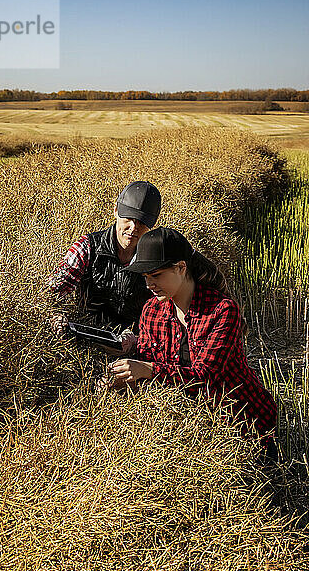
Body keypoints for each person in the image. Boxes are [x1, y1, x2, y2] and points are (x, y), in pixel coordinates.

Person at [109, 227, 277, 441]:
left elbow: (205, 376)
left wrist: (148, 370)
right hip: (194, 424)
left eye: (156, 275)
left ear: (180, 268)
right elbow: (148, 368)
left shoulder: (222, 311)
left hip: (244, 424)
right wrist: (124, 378)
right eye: (145, 277)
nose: (149, 284)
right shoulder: (151, 310)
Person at [48, 181, 161, 351]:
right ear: (116, 211)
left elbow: (168, 310)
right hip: (85, 343)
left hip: (136, 346)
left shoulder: (157, 258)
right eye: (129, 218)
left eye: (142, 222)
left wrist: (137, 339)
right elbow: (50, 294)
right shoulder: (87, 247)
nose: (133, 228)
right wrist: (55, 317)